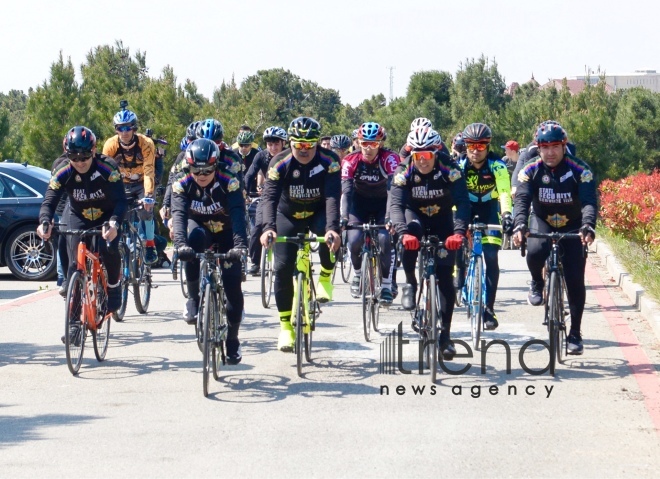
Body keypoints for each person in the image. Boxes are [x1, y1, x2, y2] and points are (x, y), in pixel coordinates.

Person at [513, 122, 596, 355]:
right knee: (535, 251)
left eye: (555, 146)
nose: (550, 152)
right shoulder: (530, 169)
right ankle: (537, 282)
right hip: (543, 220)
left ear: (564, 145)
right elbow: (522, 200)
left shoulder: (581, 170)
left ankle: (575, 333)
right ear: (538, 148)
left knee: (574, 278)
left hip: (573, 224)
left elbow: (589, 202)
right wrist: (520, 224)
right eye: (544, 147)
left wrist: (588, 226)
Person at [259, 116, 341, 352]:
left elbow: (332, 197)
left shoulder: (330, 160)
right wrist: (268, 228)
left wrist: (332, 228)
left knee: (331, 236)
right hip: (288, 215)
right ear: (290, 143)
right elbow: (269, 198)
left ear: (317, 143)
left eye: (309, 145)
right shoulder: (279, 163)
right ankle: (286, 327)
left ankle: (325, 276)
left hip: (317, 212)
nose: (304, 150)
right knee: (282, 268)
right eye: (299, 145)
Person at [38, 126, 127, 343]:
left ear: (94, 151)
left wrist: (114, 223)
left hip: (106, 214)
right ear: (66, 155)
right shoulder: (62, 170)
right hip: (78, 215)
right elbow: (49, 201)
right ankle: (74, 325)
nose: (80, 162)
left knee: (109, 248)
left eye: (85, 156)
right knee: (73, 266)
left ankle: (113, 287)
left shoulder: (108, 167)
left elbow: (121, 202)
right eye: (74, 157)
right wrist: (44, 222)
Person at [389, 126, 470, 359]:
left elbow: (463, 203)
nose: (422, 161)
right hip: (414, 217)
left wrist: (458, 232)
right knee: (410, 235)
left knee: (445, 279)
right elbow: (396, 205)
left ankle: (445, 336)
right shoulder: (404, 171)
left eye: (426, 156)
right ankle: (411, 283)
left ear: (436, 153)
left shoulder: (450, 169)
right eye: (417, 156)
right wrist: (403, 232)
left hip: (443, 219)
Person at [171, 138, 248, 364]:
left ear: (216, 166)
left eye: (207, 170)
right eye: (196, 169)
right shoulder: (182, 182)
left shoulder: (229, 182)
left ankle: (233, 341)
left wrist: (240, 246)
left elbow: (237, 214)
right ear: (189, 166)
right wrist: (179, 246)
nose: (201, 175)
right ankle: (194, 298)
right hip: (200, 228)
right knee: (192, 243)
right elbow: (179, 215)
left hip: (227, 231)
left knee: (233, 289)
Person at [456, 122, 512, 330]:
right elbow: (454, 194)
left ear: (488, 146)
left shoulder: (497, 166)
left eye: (481, 146)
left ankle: (489, 309)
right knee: (456, 241)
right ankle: (459, 275)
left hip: (490, 209)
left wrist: (507, 214)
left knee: (490, 256)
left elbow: (505, 192)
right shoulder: (460, 165)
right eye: (471, 146)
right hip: (466, 207)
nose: (475, 151)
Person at [341, 122, 400, 304]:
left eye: (373, 144)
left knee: (384, 240)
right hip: (358, 205)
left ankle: (387, 285)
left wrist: (390, 216)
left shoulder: (389, 159)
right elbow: (346, 191)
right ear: (358, 142)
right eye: (364, 143)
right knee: (354, 239)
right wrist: (343, 217)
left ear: (380, 144)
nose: (368, 148)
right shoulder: (350, 160)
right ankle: (358, 274)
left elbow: (393, 190)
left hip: (383, 204)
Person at [102, 104, 158, 264]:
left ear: (134, 128)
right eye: (120, 128)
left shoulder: (146, 143)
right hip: (122, 183)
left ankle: (149, 244)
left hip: (142, 182)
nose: (124, 132)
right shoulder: (110, 145)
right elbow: (106, 172)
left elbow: (149, 171)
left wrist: (148, 195)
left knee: (146, 212)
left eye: (128, 128)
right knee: (116, 213)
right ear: (116, 129)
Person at [244, 126, 288, 275]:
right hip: (268, 195)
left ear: (283, 143)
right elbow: (250, 174)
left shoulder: (289, 156)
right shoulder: (261, 156)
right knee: (257, 228)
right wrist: (244, 190)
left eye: (276, 144)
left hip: (287, 196)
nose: (273, 147)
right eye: (270, 144)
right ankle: (256, 262)